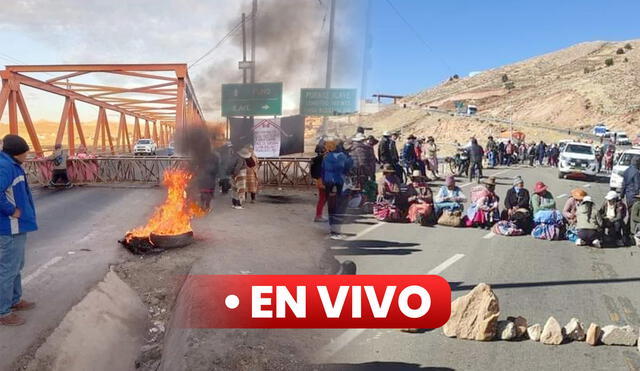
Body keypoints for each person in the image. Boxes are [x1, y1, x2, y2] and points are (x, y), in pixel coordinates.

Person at [0, 135, 37, 326]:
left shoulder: (12, 165)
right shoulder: (5, 167)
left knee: (17, 265)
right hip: (9, 226)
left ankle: (14, 300)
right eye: (25, 152)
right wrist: (11, 211)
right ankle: (3, 312)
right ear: (17, 153)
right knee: (8, 268)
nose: (27, 156)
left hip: (17, 224)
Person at [322, 139, 353, 240]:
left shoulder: (326, 157)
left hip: (328, 183)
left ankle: (332, 230)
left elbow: (322, 170)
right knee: (340, 208)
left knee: (331, 207)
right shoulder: (343, 157)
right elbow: (348, 169)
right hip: (340, 183)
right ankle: (336, 231)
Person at [311, 141, 327, 222]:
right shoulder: (321, 159)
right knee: (323, 198)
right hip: (322, 180)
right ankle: (318, 215)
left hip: (320, 180)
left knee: (323, 198)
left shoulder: (317, 159)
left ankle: (319, 214)